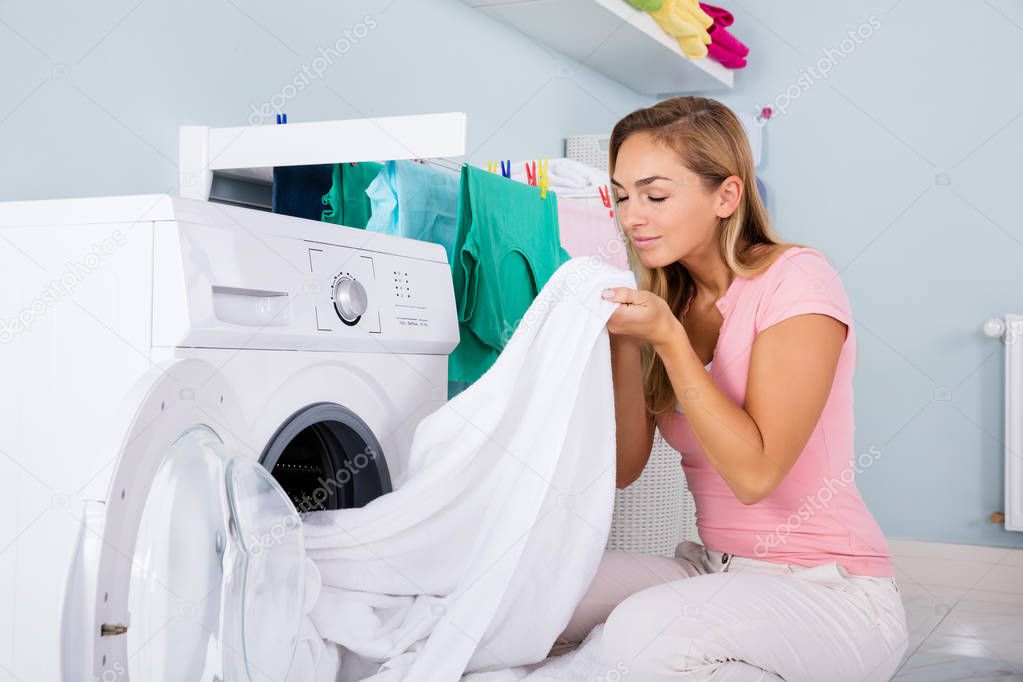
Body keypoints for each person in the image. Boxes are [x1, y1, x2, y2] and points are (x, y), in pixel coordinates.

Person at [557, 97, 908, 681]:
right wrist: (623, 339)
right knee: (532, 591)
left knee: (642, 631)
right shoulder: (670, 302)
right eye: (621, 195)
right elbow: (622, 468)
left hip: (831, 592)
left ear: (726, 196)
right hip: (713, 572)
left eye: (655, 195)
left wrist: (668, 342)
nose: (631, 216)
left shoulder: (797, 280)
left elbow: (755, 475)